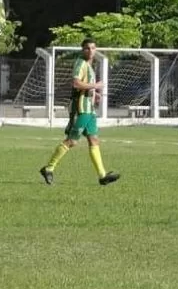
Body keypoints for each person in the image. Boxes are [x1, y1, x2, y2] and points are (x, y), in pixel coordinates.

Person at [39, 38, 120, 186]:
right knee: (72, 141)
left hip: (89, 109)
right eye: (87, 48)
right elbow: (76, 83)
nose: (91, 51)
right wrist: (95, 85)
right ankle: (49, 168)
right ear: (82, 50)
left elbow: (85, 85)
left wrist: (95, 94)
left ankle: (102, 176)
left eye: (93, 48)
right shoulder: (80, 63)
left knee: (94, 140)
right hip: (81, 109)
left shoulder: (89, 66)